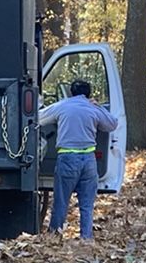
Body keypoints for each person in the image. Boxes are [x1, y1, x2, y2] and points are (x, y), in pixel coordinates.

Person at [38, 78, 113, 240]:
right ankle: (86, 240)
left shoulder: (62, 106)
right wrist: (98, 106)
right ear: (89, 94)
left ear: (71, 92)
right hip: (89, 160)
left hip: (67, 158)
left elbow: (38, 118)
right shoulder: (92, 108)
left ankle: (54, 238)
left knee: (61, 202)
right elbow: (112, 124)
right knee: (86, 204)